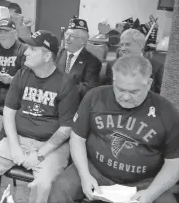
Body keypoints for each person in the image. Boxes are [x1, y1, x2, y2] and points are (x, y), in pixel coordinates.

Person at [48, 55, 179, 203]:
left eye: (134, 92)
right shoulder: (95, 97)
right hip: (95, 170)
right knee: (60, 189)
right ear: (113, 80)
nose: (126, 97)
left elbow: (175, 162)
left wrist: (151, 193)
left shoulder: (168, 112)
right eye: (121, 89)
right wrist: (84, 175)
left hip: (145, 181)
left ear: (148, 84)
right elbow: (77, 138)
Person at [0, 30, 80, 203]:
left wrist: (39, 155)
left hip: (51, 146)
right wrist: (15, 146)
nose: (25, 52)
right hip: (19, 138)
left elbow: (66, 128)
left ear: (47, 56)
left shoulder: (66, 84)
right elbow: (8, 113)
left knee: (43, 184)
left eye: (32, 49)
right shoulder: (22, 75)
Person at [0, 19, 28, 108]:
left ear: (14, 33)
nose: (2, 35)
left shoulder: (24, 50)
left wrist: (11, 80)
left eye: (6, 32)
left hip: (16, 94)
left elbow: (28, 78)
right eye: (0, 32)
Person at [105, 28, 164, 93]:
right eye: (121, 45)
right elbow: (107, 92)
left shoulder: (157, 67)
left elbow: (159, 94)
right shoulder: (112, 65)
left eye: (128, 44)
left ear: (141, 45)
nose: (123, 48)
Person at [56, 18, 102, 98]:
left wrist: (63, 88)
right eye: (66, 34)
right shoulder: (58, 53)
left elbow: (89, 89)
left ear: (83, 41)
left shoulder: (92, 62)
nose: (67, 39)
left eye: (72, 36)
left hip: (74, 102)